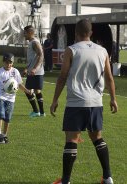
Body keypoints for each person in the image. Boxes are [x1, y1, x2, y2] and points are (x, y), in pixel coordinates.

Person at [50, 19, 118, 184]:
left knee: (72, 140)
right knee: (97, 138)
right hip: (96, 102)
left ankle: (65, 181)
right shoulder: (102, 51)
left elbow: (62, 77)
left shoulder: (71, 50)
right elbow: (109, 77)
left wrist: (54, 100)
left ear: (75, 33)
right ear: (91, 33)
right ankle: (108, 177)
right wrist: (113, 99)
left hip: (76, 102)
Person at [0, 53, 33, 144]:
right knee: (0, 114)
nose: (9, 64)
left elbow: (19, 84)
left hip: (11, 99)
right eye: (7, 62)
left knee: (7, 118)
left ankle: (4, 135)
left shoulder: (15, 72)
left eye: (10, 62)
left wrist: (28, 91)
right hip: (0, 97)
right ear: (3, 62)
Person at [23, 25, 45, 118]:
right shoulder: (32, 42)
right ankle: (41, 112)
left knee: (28, 90)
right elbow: (33, 58)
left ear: (30, 33)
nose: (24, 35)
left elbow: (41, 55)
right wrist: (26, 68)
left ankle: (36, 111)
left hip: (35, 71)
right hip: (34, 71)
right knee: (36, 90)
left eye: (25, 33)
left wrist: (35, 68)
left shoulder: (35, 43)